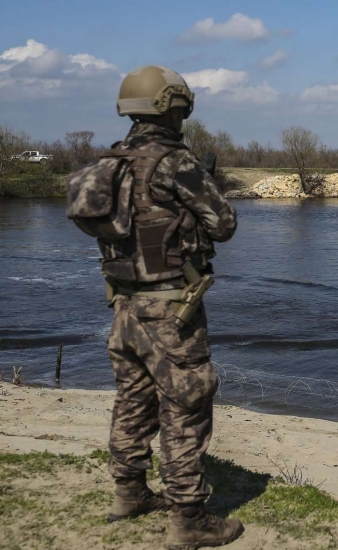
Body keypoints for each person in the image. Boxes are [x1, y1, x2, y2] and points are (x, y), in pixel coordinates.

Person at [65, 65, 241, 548]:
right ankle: (189, 519)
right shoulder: (174, 162)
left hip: (123, 305)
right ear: (173, 107)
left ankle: (129, 493)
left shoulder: (109, 162)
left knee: (132, 399)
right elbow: (224, 224)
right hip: (171, 310)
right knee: (186, 403)